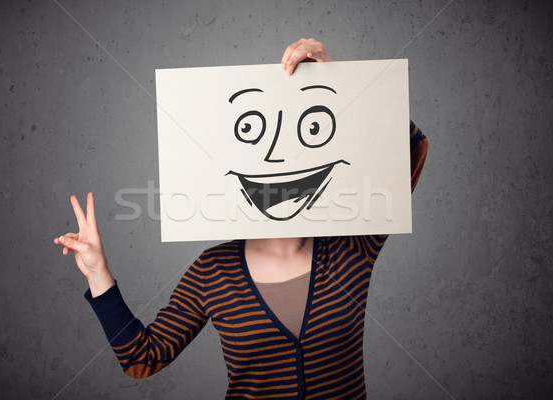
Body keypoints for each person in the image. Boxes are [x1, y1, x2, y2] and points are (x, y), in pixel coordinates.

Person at [54, 38, 428, 400]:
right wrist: (98, 273)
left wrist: (340, 84)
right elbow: (141, 359)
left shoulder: (351, 246)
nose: (277, 159)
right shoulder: (212, 271)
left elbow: (410, 148)